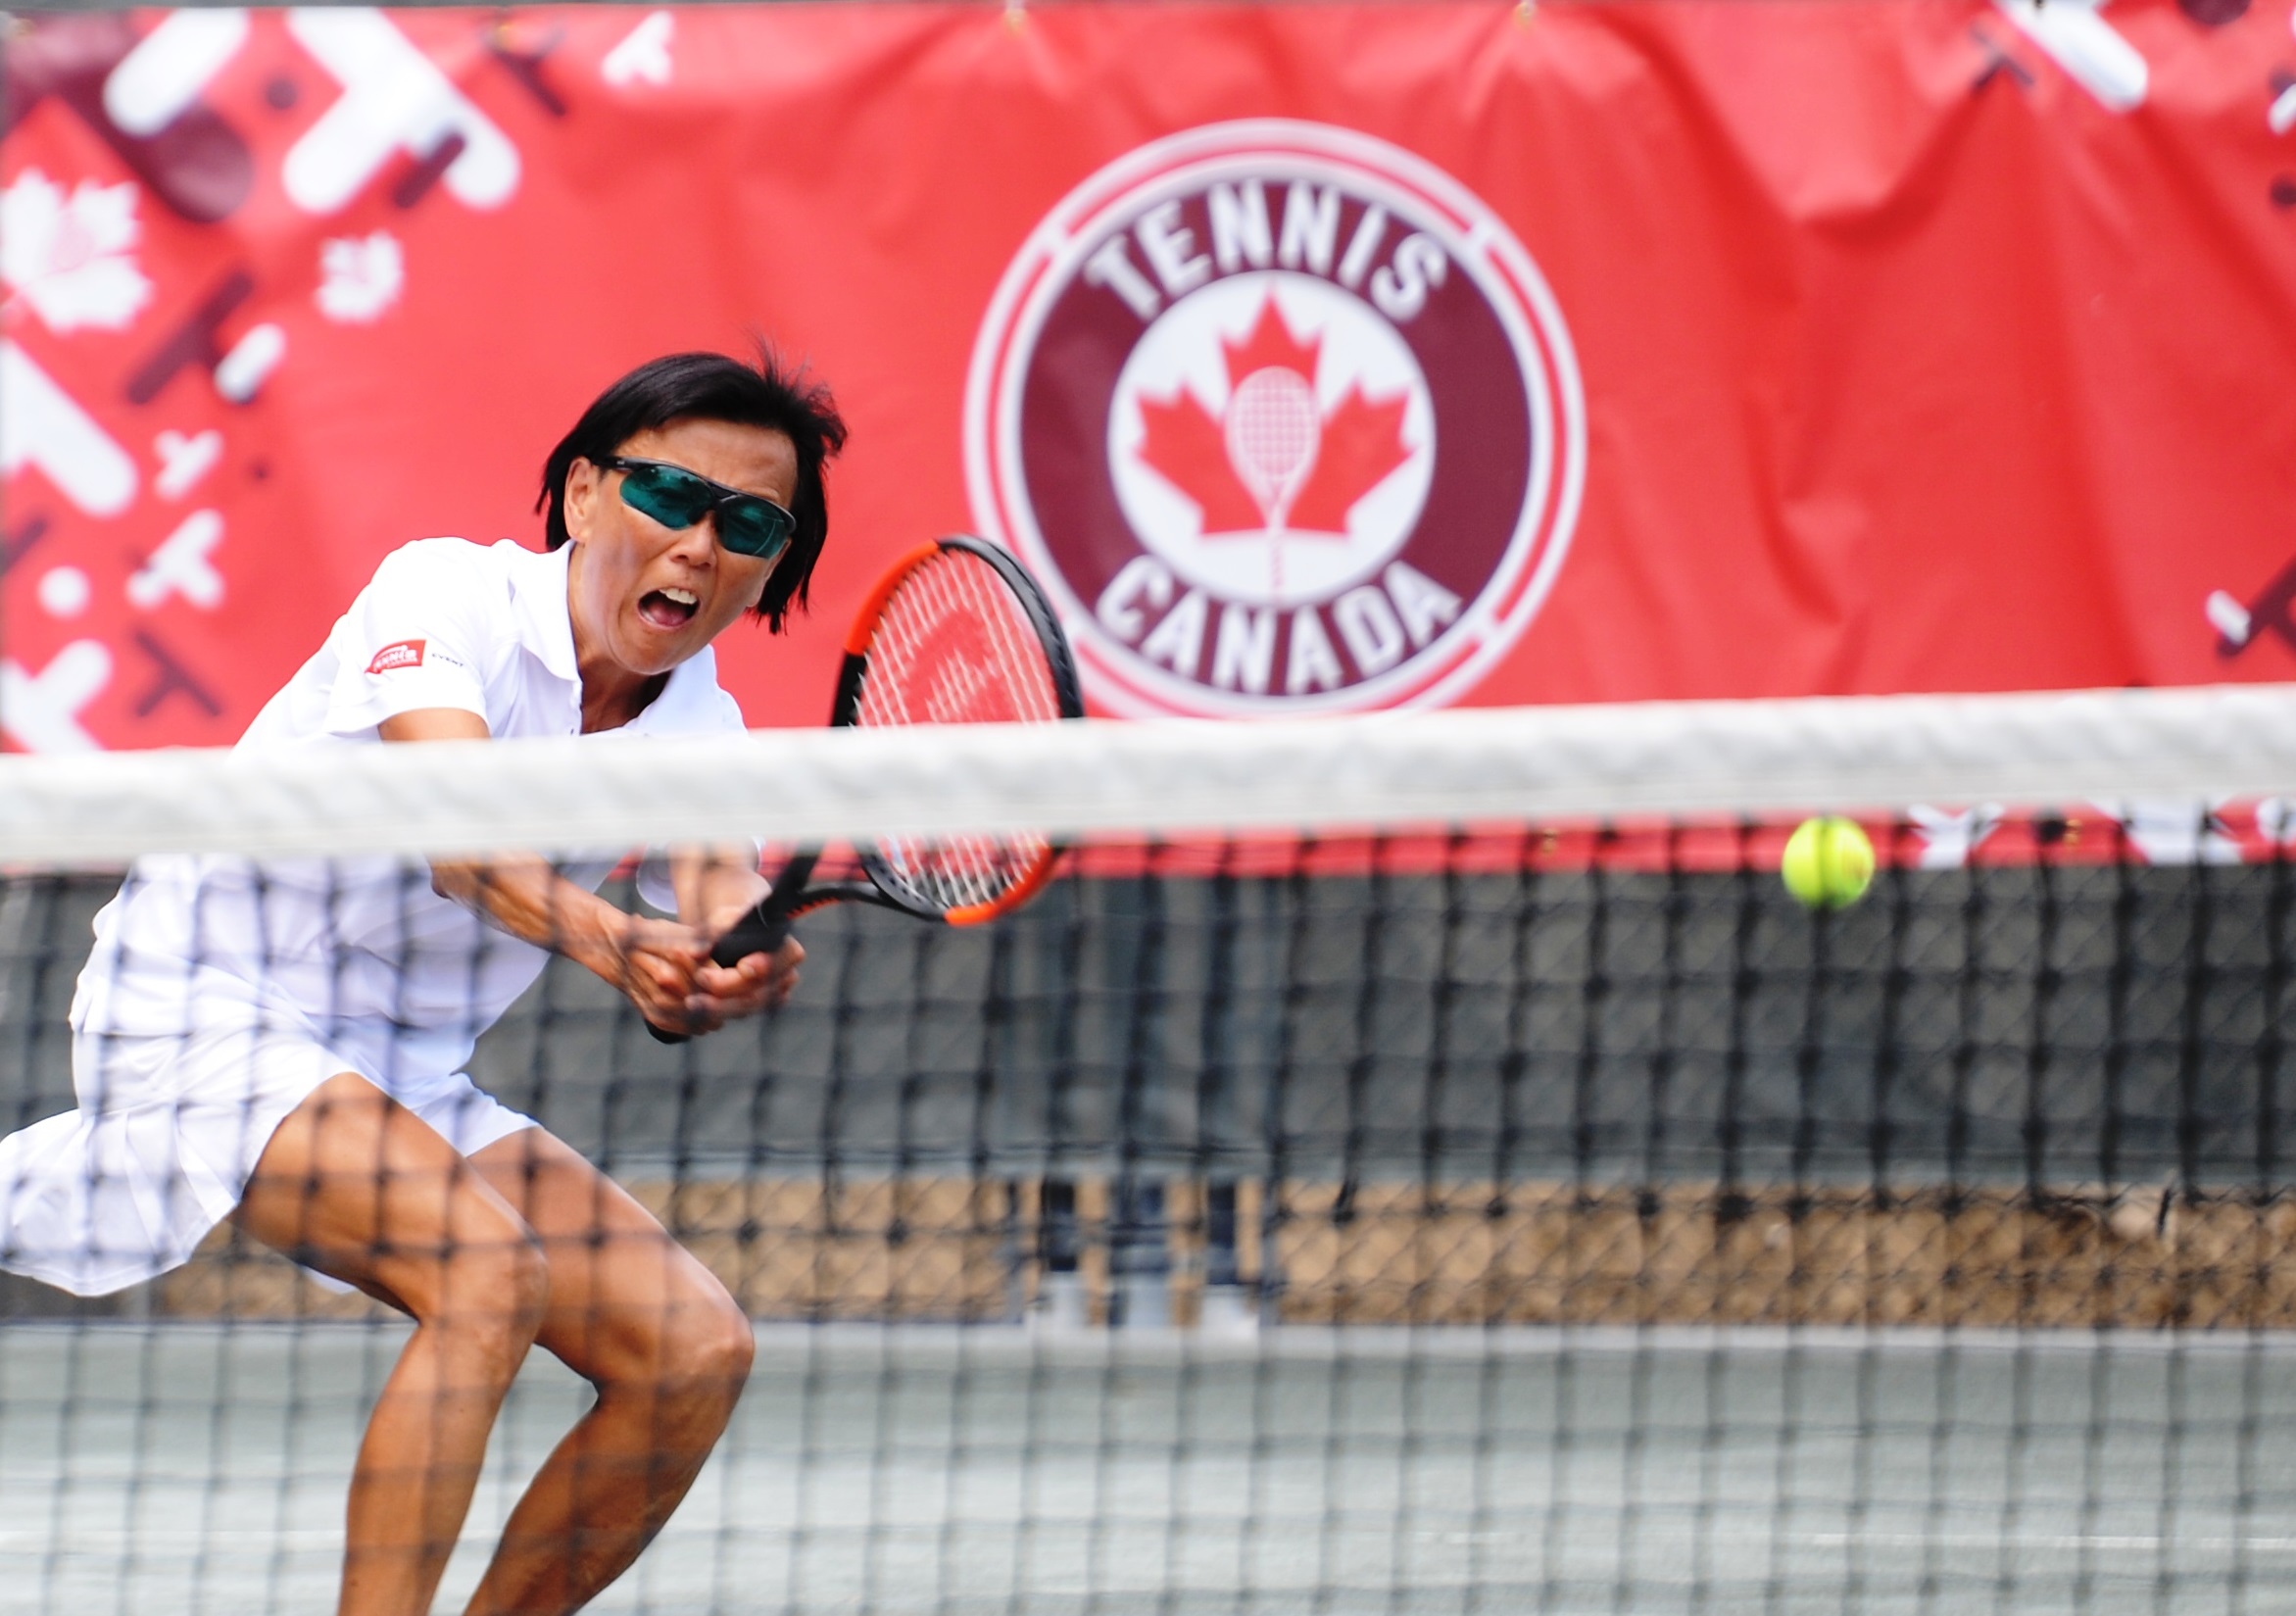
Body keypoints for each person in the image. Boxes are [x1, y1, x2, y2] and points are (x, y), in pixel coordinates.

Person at [0, 350, 846, 1616]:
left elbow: (718, 889)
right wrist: (623, 946)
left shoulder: (702, 735)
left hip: (398, 1077)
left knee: (694, 1347)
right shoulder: (443, 594)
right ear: (579, 495)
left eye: (749, 522)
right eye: (670, 494)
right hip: (199, 1002)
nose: (698, 541)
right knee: (487, 1271)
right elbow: (464, 844)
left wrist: (727, 961)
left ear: (771, 562)